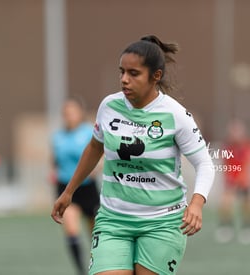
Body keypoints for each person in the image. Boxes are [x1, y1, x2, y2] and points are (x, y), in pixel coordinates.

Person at [51, 35, 215, 275]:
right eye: (122, 72)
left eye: (133, 73)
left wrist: (197, 204)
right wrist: (69, 191)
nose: (124, 80)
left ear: (155, 76)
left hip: (163, 223)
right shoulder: (109, 106)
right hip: (113, 219)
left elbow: (205, 163)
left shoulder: (175, 115)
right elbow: (95, 148)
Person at [51, 98, 100, 275]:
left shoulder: (89, 132)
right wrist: (53, 173)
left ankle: (99, 266)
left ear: (80, 113)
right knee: (71, 231)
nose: (68, 116)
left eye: (72, 111)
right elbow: (55, 160)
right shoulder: (57, 136)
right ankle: (81, 271)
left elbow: (99, 154)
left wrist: (97, 168)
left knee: (96, 234)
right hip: (65, 188)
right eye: (66, 112)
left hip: (88, 188)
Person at [215, 118, 250, 244]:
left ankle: (249, 227)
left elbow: (249, 164)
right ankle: (226, 227)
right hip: (231, 181)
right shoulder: (227, 147)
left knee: (247, 205)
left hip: (245, 181)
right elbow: (226, 164)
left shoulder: (248, 145)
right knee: (226, 203)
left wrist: (242, 180)